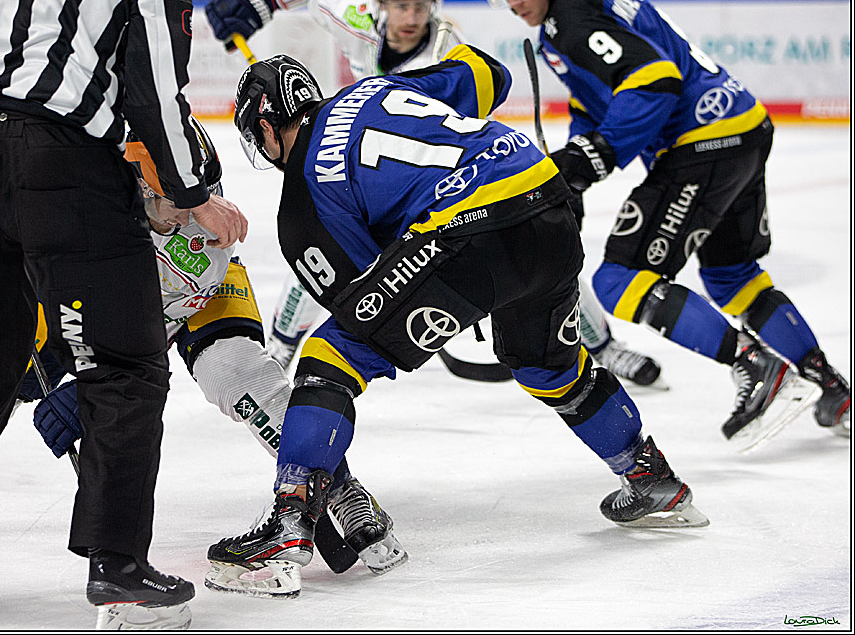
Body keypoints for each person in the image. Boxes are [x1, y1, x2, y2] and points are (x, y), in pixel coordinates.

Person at [204, 47, 708, 601]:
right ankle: (651, 479)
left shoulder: (301, 204)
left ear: (270, 126)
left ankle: (289, 522)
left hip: (469, 227)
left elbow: (359, 297)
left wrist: (457, 291)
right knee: (548, 366)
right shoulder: (374, 89)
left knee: (331, 358)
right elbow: (491, 72)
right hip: (546, 196)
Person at [0, 127, 406, 581]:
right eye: (174, 203)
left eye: (198, 199)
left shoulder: (207, 231)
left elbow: (143, 344)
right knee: (1, 383)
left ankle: (337, 490)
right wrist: (73, 379)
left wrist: (90, 395)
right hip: (84, 289)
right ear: (138, 189)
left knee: (238, 371)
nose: (188, 217)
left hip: (177, 302)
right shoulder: (94, 215)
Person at [0, 0, 246, 630]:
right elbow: (154, 91)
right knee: (125, 366)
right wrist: (194, 196)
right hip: (65, 161)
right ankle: (119, 568)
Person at [206, 0, 663, 390]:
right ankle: (281, 352)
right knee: (319, 253)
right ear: (380, 2)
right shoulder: (354, 8)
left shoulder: (446, 50)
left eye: (421, 5)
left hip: (437, 190)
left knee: (528, 233)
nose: (410, 17)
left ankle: (603, 343)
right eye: (401, 5)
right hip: (346, 157)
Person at [477, 0, 850, 446]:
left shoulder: (573, 13)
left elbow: (654, 81)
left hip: (703, 144)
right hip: (741, 127)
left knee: (620, 279)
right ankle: (830, 385)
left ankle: (755, 365)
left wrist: (600, 154)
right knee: (731, 275)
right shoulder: (571, 12)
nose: (511, 2)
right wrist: (578, 169)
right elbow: (594, 98)